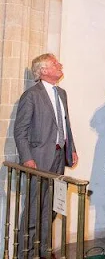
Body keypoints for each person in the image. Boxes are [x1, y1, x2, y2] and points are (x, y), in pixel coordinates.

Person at [14, 53, 78, 259]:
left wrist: (72, 149)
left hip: (59, 158)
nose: (60, 65)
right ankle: (26, 253)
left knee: (52, 208)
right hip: (38, 160)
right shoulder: (31, 95)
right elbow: (20, 130)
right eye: (55, 64)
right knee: (34, 209)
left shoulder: (62, 93)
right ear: (43, 71)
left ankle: (43, 250)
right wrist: (26, 158)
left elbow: (65, 124)